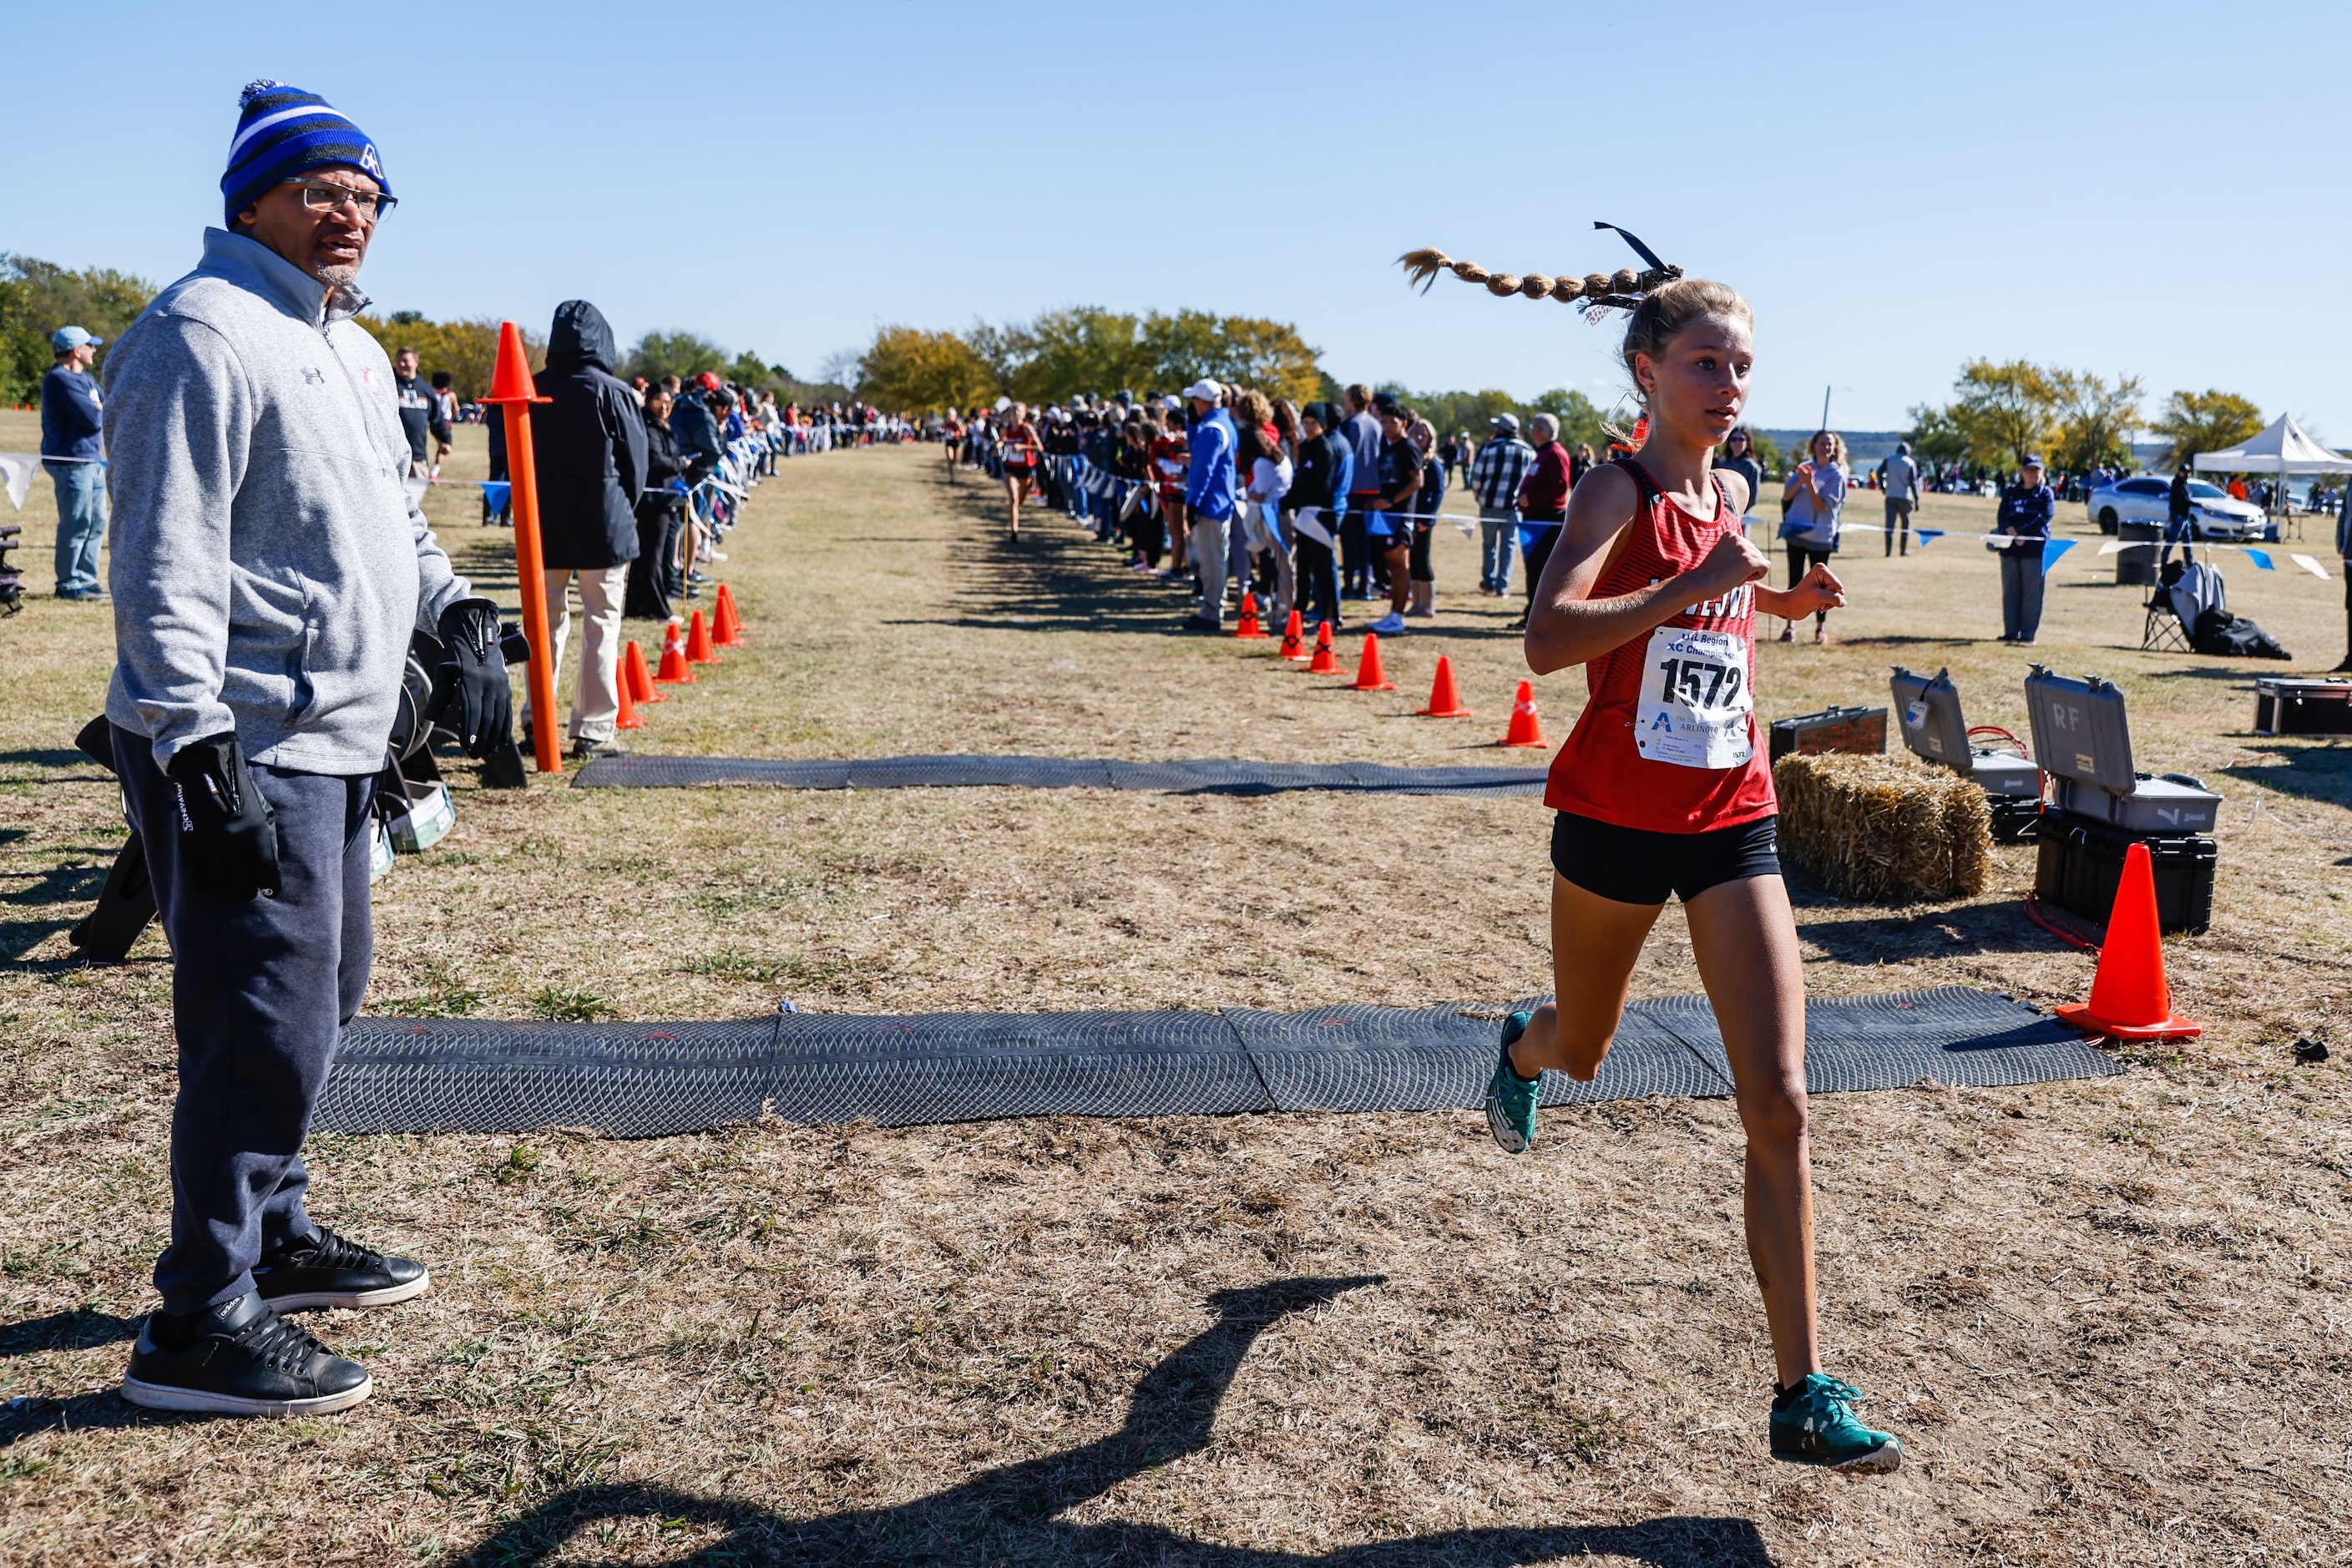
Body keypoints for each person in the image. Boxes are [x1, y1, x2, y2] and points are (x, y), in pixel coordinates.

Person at [104, 80, 513, 1419]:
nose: (349, 215)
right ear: (251, 201)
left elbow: (395, 515)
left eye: (367, 195)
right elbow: (161, 554)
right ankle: (199, 1317)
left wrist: (451, 612)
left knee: (324, 995)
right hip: (242, 735)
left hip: (338, 736)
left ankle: (274, 1240)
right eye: (321, 190)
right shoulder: (198, 330)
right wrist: (189, 739)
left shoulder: (349, 344)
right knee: (259, 1024)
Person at [1471, 266, 1899, 1475]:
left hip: (1731, 816)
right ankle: (1521, 1046)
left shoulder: (1740, 487)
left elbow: (1705, 623)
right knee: (1588, 1044)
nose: (1729, 384)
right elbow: (1547, 639)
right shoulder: (1619, 485)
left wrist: (1775, 605)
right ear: (1647, 373)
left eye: (1741, 365)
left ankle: (1801, 1391)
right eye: (1706, 362)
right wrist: (1702, 582)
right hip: (1612, 818)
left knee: (1779, 1098)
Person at [525, 299, 644, 761]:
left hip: (546, 524)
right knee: (601, 622)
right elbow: (637, 464)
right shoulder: (614, 393)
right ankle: (593, 728)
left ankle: (539, 719)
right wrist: (622, 507)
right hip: (604, 521)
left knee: (544, 624)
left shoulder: (535, 389)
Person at [41, 325, 109, 601]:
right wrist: (102, 410)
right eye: (89, 345)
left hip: (91, 459)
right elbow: (93, 419)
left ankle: (86, 578)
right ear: (76, 350)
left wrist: (102, 410)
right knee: (76, 523)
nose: (94, 350)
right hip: (71, 461)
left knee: (97, 522)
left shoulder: (87, 380)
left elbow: (108, 408)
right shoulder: (59, 379)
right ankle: (68, 583)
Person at [1778, 431, 1847, 642]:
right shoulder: (1804, 468)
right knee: (1794, 580)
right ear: (1814, 445)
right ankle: (1790, 627)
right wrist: (1801, 480)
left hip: (1820, 537)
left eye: (1829, 444)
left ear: (1835, 448)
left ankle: (1820, 629)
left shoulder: (1837, 474)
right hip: (1796, 533)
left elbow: (1821, 506)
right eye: (1821, 443)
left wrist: (1810, 483)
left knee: (1822, 587)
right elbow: (1787, 496)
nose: (1825, 447)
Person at [1181, 379, 1239, 630]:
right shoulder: (1221, 424)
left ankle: (1212, 611)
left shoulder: (1213, 429)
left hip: (1211, 502)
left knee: (1212, 558)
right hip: (1218, 500)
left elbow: (1203, 469)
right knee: (1214, 557)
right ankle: (1213, 607)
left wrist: (1193, 502)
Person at [1363, 404, 1424, 635]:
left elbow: (1417, 481)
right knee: (1393, 566)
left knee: (1400, 566)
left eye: (1392, 422)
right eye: (1384, 422)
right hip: (1385, 517)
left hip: (1400, 516)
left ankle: (1397, 617)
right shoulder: (1389, 448)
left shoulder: (1409, 448)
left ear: (1404, 424)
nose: (1387, 427)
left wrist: (1392, 500)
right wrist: (1376, 500)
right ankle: (1393, 614)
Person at [1288, 402, 1348, 632]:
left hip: (1321, 517)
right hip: (1305, 515)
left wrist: (1297, 500)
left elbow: (1321, 486)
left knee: (1323, 568)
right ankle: (1298, 614)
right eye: (1306, 423)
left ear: (1322, 425)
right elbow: (1301, 480)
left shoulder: (1325, 449)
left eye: (1314, 423)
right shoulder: (1305, 447)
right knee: (1303, 568)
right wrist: (1289, 500)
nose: (1309, 427)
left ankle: (1330, 615)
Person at [628, 384, 685, 620]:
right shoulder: (649, 427)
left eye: (668, 403)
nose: (664, 407)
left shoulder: (664, 426)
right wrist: (681, 463)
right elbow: (656, 460)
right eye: (659, 402)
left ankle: (636, 607)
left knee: (648, 555)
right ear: (649, 402)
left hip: (666, 497)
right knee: (653, 556)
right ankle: (656, 609)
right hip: (654, 501)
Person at [1511, 412, 1573, 630]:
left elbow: (1559, 486)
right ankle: (1531, 614)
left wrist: (1531, 498)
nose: (1531, 430)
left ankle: (1538, 618)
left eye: (1534, 427)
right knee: (1533, 569)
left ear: (1542, 431)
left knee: (1540, 570)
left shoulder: (1555, 453)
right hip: (1534, 520)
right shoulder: (1543, 453)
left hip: (1546, 522)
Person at [1992, 455, 2056, 645]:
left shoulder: (2045, 493)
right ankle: (2010, 631)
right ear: (2022, 472)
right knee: (2011, 592)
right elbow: (2002, 515)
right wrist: (2010, 530)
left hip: (2033, 550)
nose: (2033, 474)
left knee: (2032, 594)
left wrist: (2023, 533)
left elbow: (2045, 517)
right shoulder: (2011, 492)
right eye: (2029, 470)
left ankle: (2028, 634)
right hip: (2010, 549)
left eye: (2036, 470)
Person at [1469, 412, 1535, 596]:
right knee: (1508, 546)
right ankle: (1502, 586)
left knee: (1489, 545)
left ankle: (1488, 582)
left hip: (1489, 505)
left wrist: (1479, 496)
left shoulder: (1489, 448)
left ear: (1501, 429)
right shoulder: (1528, 451)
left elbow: (1475, 477)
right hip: (1513, 507)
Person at [1340, 384, 1385, 599]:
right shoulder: (1378, 425)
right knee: (1366, 541)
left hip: (1353, 489)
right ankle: (1366, 585)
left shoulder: (1350, 424)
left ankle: (1350, 584)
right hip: (1373, 489)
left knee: (1349, 540)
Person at [1403, 415, 1445, 619]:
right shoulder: (1411, 458)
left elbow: (1437, 493)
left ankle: (1427, 605)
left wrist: (1426, 518)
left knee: (1422, 560)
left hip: (1423, 520)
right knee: (1413, 561)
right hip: (1410, 517)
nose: (1419, 436)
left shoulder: (1433, 463)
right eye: (1416, 432)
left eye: (1424, 434)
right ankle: (1416, 603)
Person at [391, 346, 450, 478]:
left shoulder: (425, 389)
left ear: (416, 362)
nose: (401, 364)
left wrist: (445, 440)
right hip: (391, 456)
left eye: (406, 361)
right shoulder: (389, 385)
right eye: (398, 361)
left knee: (417, 496)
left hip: (417, 456)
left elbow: (437, 419)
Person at [997, 400, 1041, 540]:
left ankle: (1015, 520)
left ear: (1024, 414)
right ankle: (1014, 531)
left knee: (1020, 500)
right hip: (1010, 467)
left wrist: (1023, 447)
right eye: (1013, 411)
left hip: (1025, 467)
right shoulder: (1006, 429)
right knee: (1013, 499)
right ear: (1009, 413)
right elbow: (1002, 439)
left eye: (1019, 411)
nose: (1016, 413)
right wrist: (999, 444)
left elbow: (1040, 447)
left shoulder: (1027, 428)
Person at [1713, 426, 1764, 543]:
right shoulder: (1722, 463)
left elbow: (1753, 498)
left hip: (1741, 516)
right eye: (1734, 439)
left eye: (1741, 439)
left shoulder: (1751, 467)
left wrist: (1736, 515)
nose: (1737, 442)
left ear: (1747, 443)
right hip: (1718, 515)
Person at [1876, 439, 1920, 556]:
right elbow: (1913, 483)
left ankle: (1888, 552)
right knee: (1905, 526)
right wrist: (1917, 500)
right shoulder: (1910, 463)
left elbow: (1879, 473)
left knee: (1889, 526)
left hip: (1890, 496)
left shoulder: (1889, 460)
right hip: (1905, 497)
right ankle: (1903, 551)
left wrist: (1883, 487)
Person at [2162, 464, 2195, 568]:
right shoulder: (2177, 484)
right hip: (2178, 517)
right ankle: (2163, 561)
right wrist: (2197, 504)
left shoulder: (2185, 484)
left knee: (2187, 542)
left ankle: (2189, 563)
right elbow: (2182, 501)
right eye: (2185, 472)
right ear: (2180, 472)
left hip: (2185, 517)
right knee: (2172, 540)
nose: (2187, 475)